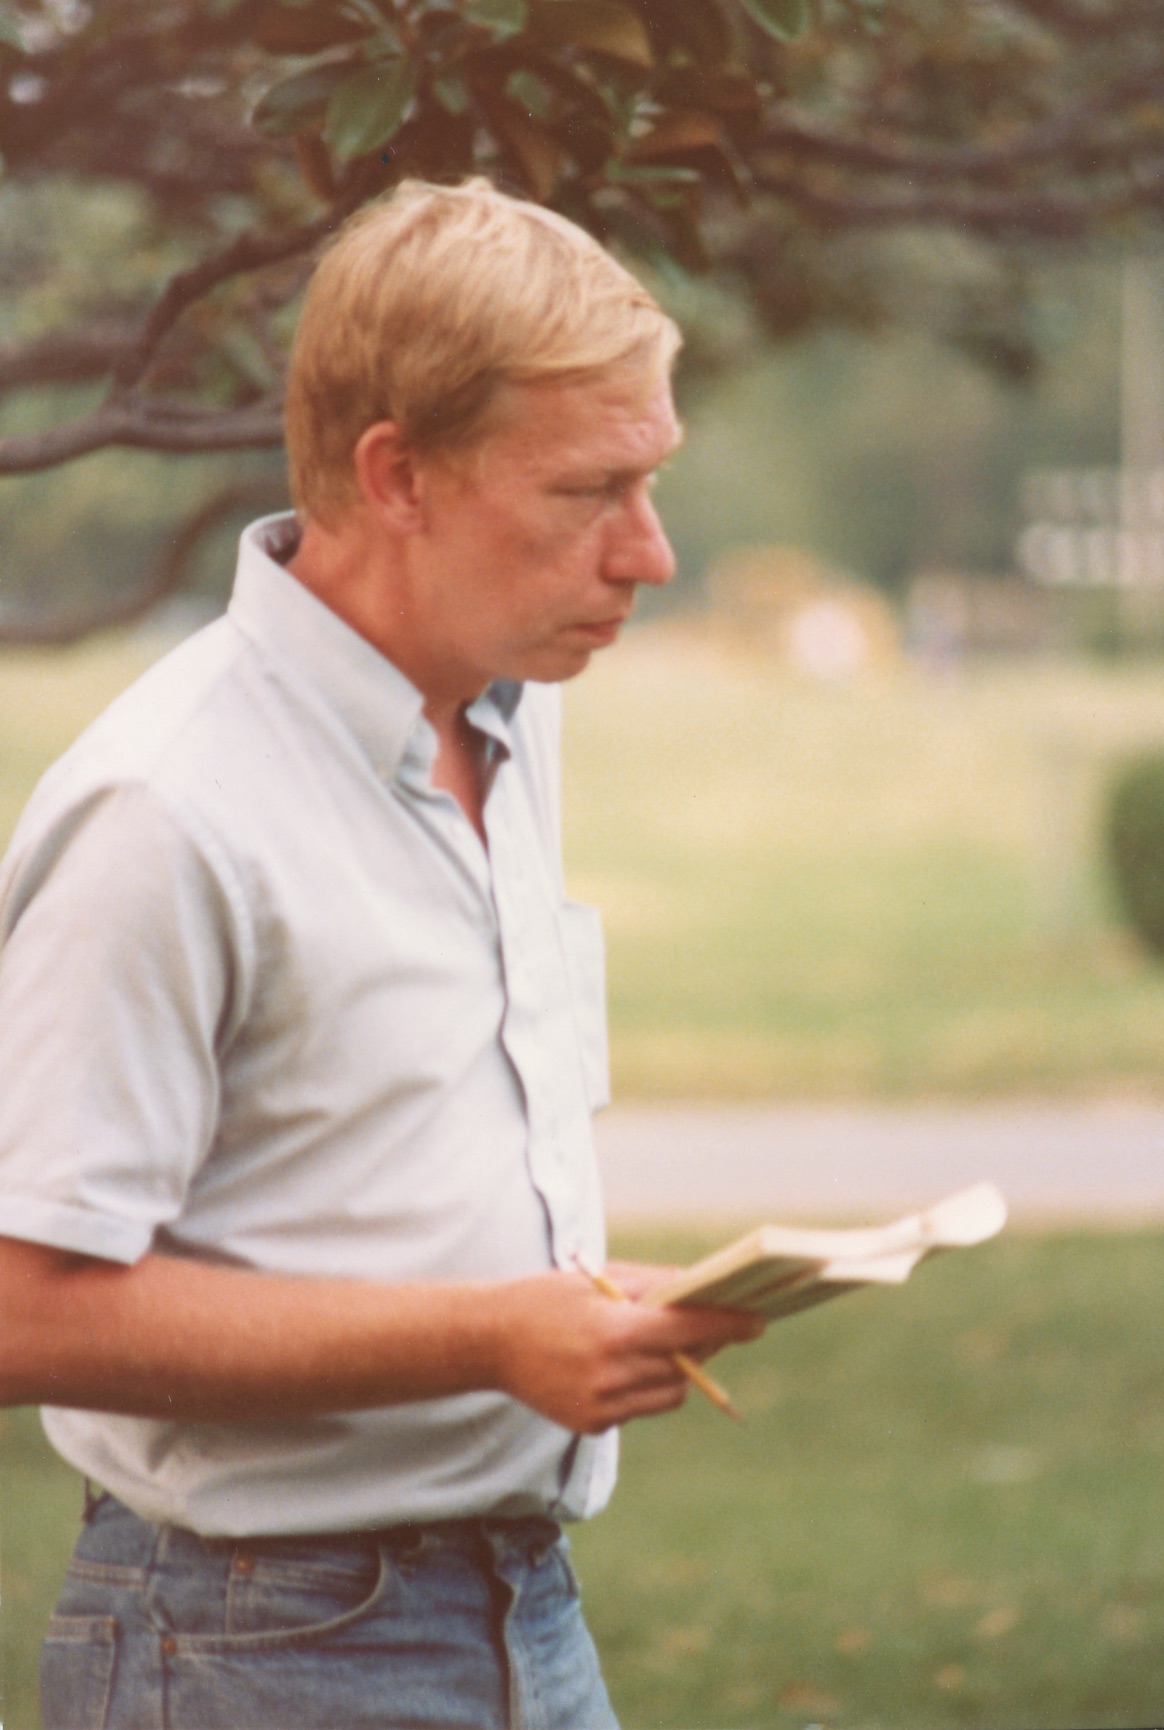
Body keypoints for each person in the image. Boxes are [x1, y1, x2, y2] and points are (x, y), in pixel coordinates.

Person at [0, 178, 761, 1730]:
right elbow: (26, 1309)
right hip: (254, 1647)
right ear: (397, 475)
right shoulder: (165, 804)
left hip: (523, 1611)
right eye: (587, 494)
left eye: (654, 480)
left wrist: (580, 1309)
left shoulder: (506, 704)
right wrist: (493, 1335)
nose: (651, 553)